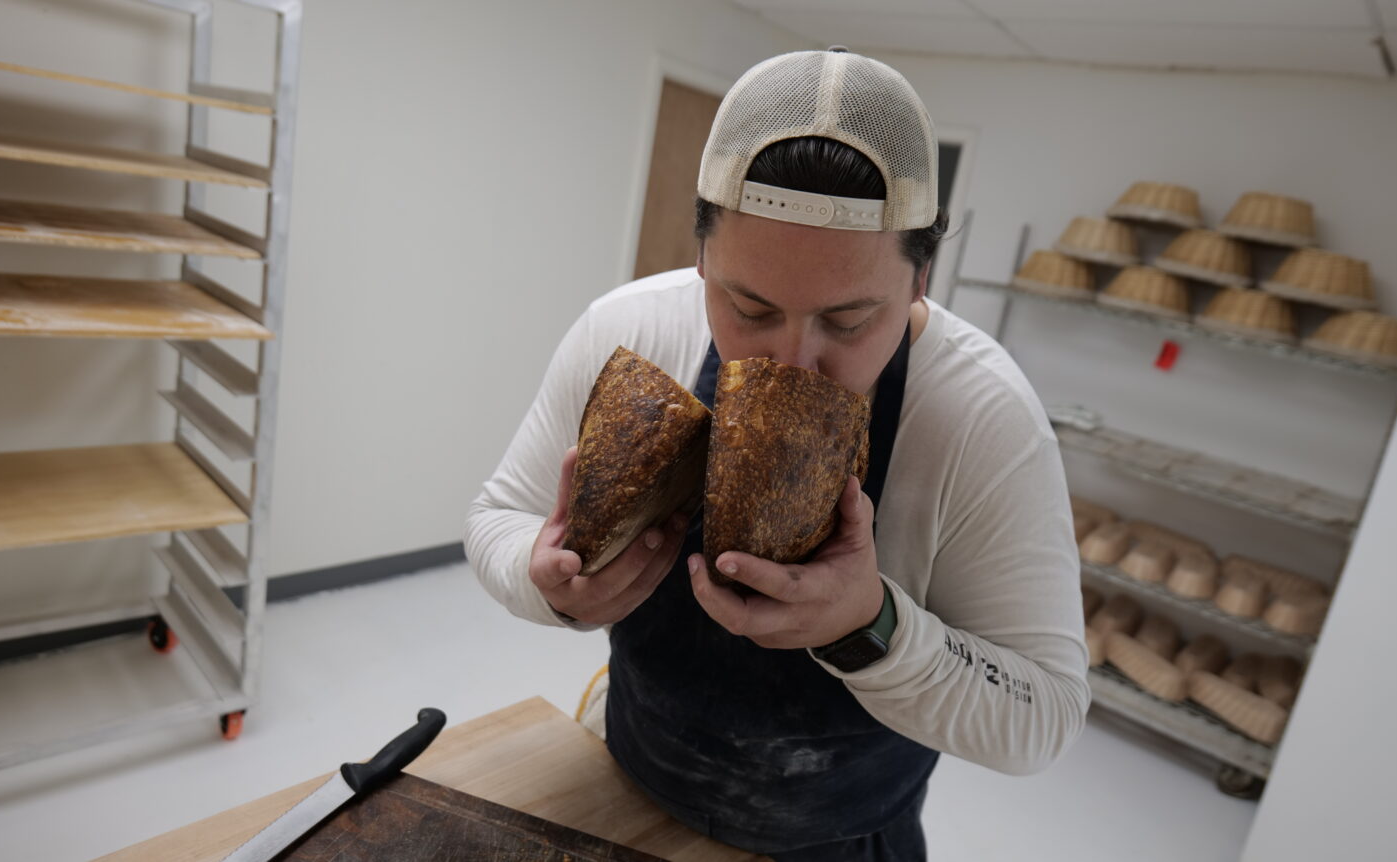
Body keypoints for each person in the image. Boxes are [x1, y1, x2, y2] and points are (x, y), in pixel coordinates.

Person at [465, 48, 1089, 861]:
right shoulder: (633, 332)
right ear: (700, 255)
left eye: (850, 320)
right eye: (749, 307)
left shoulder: (983, 417)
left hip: (842, 835)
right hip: (622, 784)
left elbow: (1043, 719)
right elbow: (497, 518)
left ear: (921, 279)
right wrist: (545, 584)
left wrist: (872, 627)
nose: (792, 363)